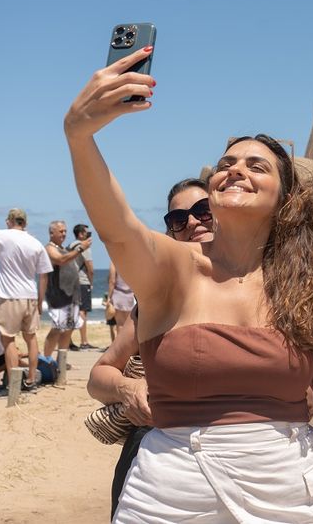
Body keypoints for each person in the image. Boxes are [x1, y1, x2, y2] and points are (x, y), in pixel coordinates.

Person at [65, 45, 313, 523]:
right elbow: (117, 226)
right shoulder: (173, 269)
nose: (234, 170)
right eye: (226, 163)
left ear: (285, 199)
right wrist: (79, 136)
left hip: (289, 494)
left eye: (256, 165)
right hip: (169, 496)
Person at [88, 177, 215, 520]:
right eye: (178, 219)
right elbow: (98, 376)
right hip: (153, 462)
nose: (191, 223)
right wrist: (128, 387)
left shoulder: (269, 290)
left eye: (203, 211)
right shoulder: (156, 303)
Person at [0, 207, 52, 390]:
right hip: (30, 296)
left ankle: (14, 382)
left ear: (9, 221)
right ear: (25, 223)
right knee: (31, 338)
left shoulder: (0, 235)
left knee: (8, 339)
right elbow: (43, 276)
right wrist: (40, 301)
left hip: (9, 295)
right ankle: (32, 378)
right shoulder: (35, 243)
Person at [43, 220, 88, 358]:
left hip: (71, 297)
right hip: (58, 298)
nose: (64, 234)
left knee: (68, 330)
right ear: (52, 233)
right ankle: (46, 360)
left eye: (65, 231)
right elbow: (61, 260)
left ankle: (61, 361)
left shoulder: (63, 248)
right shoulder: (50, 248)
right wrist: (80, 248)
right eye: (61, 231)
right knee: (57, 329)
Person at [71, 223, 97, 350]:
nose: (89, 236)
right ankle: (84, 341)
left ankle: (68, 341)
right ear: (81, 234)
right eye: (87, 233)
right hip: (82, 281)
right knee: (82, 311)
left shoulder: (71, 245)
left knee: (73, 311)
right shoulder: (84, 247)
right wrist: (91, 282)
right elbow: (90, 268)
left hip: (71, 282)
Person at [107, 265, 135, 336]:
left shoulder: (114, 261)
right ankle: (128, 345)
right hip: (130, 294)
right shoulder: (130, 260)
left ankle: (121, 346)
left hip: (118, 294)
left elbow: (112, 281)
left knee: (120, 323)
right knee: (129, 324)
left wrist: (109, 297)